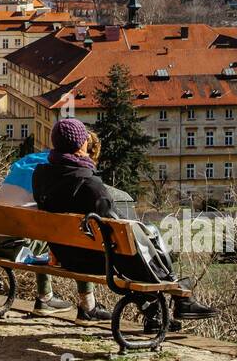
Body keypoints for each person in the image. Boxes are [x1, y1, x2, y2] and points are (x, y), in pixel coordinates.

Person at [32, 118, 216, 327]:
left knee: (134, 245)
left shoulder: (41, 176)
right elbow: (117, 224)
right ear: (81, 144)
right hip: (97, 260)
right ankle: (180, 296)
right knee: (143, 238)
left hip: (64, 254)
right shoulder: (89, 184)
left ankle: (160, 310)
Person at [0, 149, 90, 314]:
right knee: (77, 241)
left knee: (40, 232)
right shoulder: (51, 173)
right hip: (14, 247)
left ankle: (47, 297)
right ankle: (85, 304)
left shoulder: (26, 161)